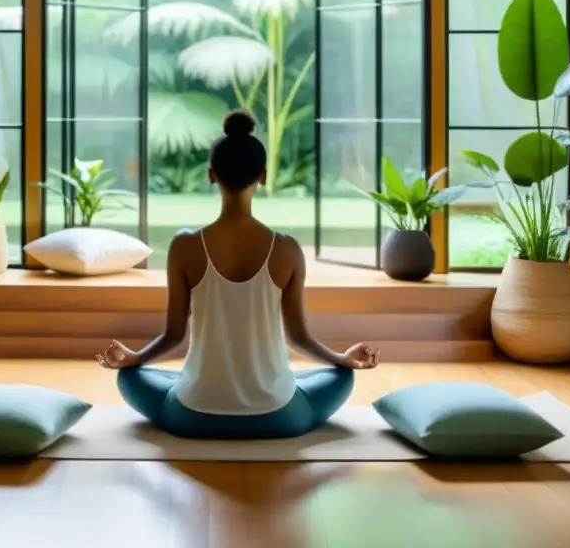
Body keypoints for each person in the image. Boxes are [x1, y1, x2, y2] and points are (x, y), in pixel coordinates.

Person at [95, 109, 379, 440]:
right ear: (262, 175)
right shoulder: (286, 249)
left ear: (211, 175)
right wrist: (342, 359)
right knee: (342, 377)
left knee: (129, 378)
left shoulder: (184, 245)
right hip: (279, 416)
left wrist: (135, 358)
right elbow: (298, 338)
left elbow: (174, 336)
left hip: (191, 415)